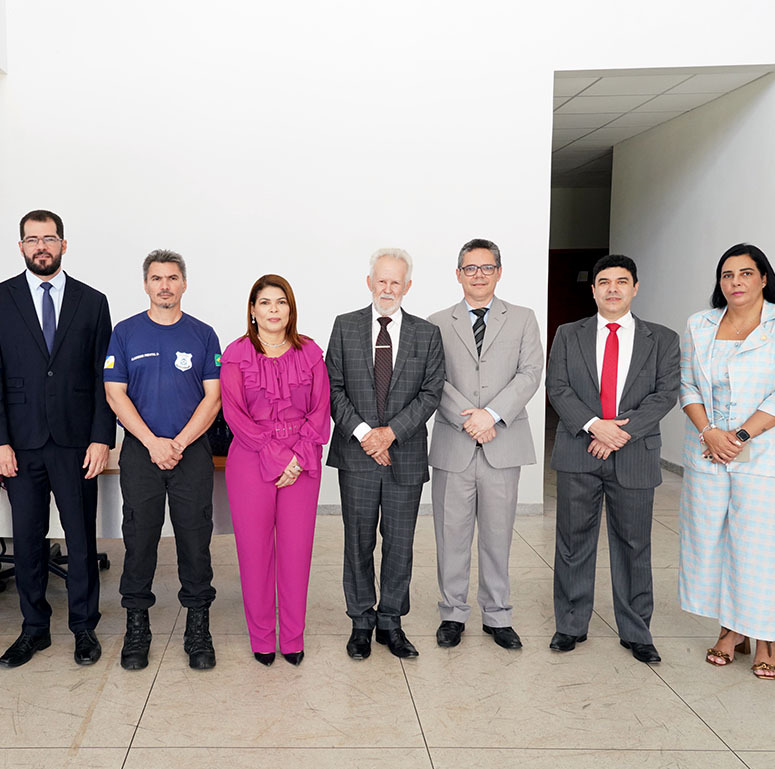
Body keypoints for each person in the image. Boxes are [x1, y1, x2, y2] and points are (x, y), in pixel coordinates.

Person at [678, 243, 775, 680]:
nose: (735, 282)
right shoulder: (700, 324)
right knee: (716, 543)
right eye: (727, 275)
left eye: (745, 273)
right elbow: (688, 385)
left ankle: (767, 639)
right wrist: (710, 433)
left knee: (764, 549)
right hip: (709, 451)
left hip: (767, 455)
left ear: (763, 278)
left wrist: (738, 436)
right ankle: (731, 629)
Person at [0, 210, 115, 668]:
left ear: (63, 245)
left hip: (77, 443)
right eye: (32, 239)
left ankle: (83, 627)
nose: (41, 246)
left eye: (50, 238)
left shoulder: (93, 302)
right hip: (19, 443)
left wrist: (101, 438)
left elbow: (103, 378)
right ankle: (34, 628)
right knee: (28, 539)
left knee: (79, 539)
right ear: (20, 247)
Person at [546, 254, 680, 664]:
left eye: (622, 281)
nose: (613, 289)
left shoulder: (663, 338)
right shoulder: (569, 334)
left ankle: (637, 631)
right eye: (604, 281)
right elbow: (558, 386)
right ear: (593, 290)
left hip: (634, 454)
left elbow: (665, 393)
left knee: (634, 545)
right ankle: (570, 625)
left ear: (635, 288)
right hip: (579, 450)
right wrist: (593, 425)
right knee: (573, 543)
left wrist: (618, 431)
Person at [105, 250, 222, 671]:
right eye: (157, 278)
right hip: (141, 452)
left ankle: (198, 626)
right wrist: (153, 442)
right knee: (139, 541)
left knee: (195, 540)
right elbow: (115, 394)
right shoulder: (125, 333)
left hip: (191, 454)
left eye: (173, 278)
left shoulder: (203, 334)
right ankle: (137, 626)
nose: (165, 286)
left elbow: (214, 396)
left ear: (184, 284)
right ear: (146, 284)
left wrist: (179, 442)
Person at [326, 248, 445, 660]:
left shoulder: (427, 334)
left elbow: (431, 393)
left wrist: (390, 433)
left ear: (407, 287)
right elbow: (333, 388)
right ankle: (361, 622)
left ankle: (391, 622)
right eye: (382, 280)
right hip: (356, 456)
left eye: (397, 282)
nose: (388, 288)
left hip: (404, 456)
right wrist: (365, 434)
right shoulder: (344, 327)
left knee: (399, 544)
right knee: (357, 542)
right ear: (369, 282)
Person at [427, 239, 543, 650]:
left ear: (499, 272)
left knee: (498, 535)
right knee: (451, 535)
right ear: (458, 273)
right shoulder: (436, 322)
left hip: (503, 443)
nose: (479, 275)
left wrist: (492, 415)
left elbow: (530, 373)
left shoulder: (524, 319)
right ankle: (452, 613)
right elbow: (431, 380)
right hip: (453, 444)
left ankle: (498, 615)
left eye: (487, 267)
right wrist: (472, 419)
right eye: (470, 268)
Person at [220, 275, 331, 666]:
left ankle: (294, 639)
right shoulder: (235, 354)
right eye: (264, 302)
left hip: (303, 460)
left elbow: (320, 412)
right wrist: (277, 457)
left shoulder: (311, 353)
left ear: (290, 308)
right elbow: (234, 415)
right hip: (251, 459)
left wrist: (298, 457)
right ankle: (263, 638)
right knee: (254, 553)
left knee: (296, 552)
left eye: (280, 302)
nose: (273, 310)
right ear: (252, 310)